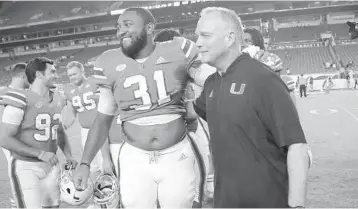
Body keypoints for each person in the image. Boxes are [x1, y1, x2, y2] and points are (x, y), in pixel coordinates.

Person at [73, 7, 211, 208]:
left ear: (149, 27)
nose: (121, 31)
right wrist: (85, 163)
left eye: (127, 25)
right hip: (134, 157)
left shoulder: (178, 49)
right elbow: (102, 120)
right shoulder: (108, 61)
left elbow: (209, 79)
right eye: (118, 27)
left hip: (177, 153)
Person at [194, 7, 311, 208]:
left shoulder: (263, 79)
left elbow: (297, 146)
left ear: (230, 38)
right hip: (226, 201)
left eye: (205, 35)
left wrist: (297, 205)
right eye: (197, 36)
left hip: (268, 200)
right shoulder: (212, 84)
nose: (198, 43)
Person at [0, 57, 77, 208]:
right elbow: (4, 139)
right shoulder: (21, 98)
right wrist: (39, 153)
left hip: (51, 165)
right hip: (26, 166)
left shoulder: (58, 97)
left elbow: (59, 131)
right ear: (39, 75)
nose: (56, 75)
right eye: (52, 72)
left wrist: (68, 155)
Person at [154, 28, 216, 202]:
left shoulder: (154, 70)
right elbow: (189, 112)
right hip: (184, 130)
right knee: (196, 173)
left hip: (166, 132)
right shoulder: (177, 70)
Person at [63, 61, 115, 174]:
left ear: (82, 72)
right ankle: (97, 190)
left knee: (106, 166)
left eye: (74, 74)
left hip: (101, 129)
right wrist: (63, 127)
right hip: (85, 132)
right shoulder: (69, 90)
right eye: (70, 75)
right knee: (91, 167)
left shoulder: (94, 82)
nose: (72, 78)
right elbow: (72, 115)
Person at [0, 63, 30, 208]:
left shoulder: (21, 93)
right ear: (22, 76)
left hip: (24, 141)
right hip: (12, 141)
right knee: (19, 172)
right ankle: (18, 203)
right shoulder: (5, 95)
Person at [242, 28, 296, 105]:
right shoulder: (237, 60)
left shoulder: (272, 59)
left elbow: (275, 87)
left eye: (247, 41)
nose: (243, 44)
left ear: (256, 42)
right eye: (241, 41)